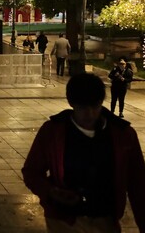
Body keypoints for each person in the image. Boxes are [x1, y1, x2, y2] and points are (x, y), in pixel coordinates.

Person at [22, 73, 145, 233]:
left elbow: (138, 184)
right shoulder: (53, 131)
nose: (89, 114)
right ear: (71, 103)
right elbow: (31, 171)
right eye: (82, 108)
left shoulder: (123, 134)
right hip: (64, 220)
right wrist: (51, 192)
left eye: (94, 106)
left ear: (101, 102)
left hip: (105, 219)